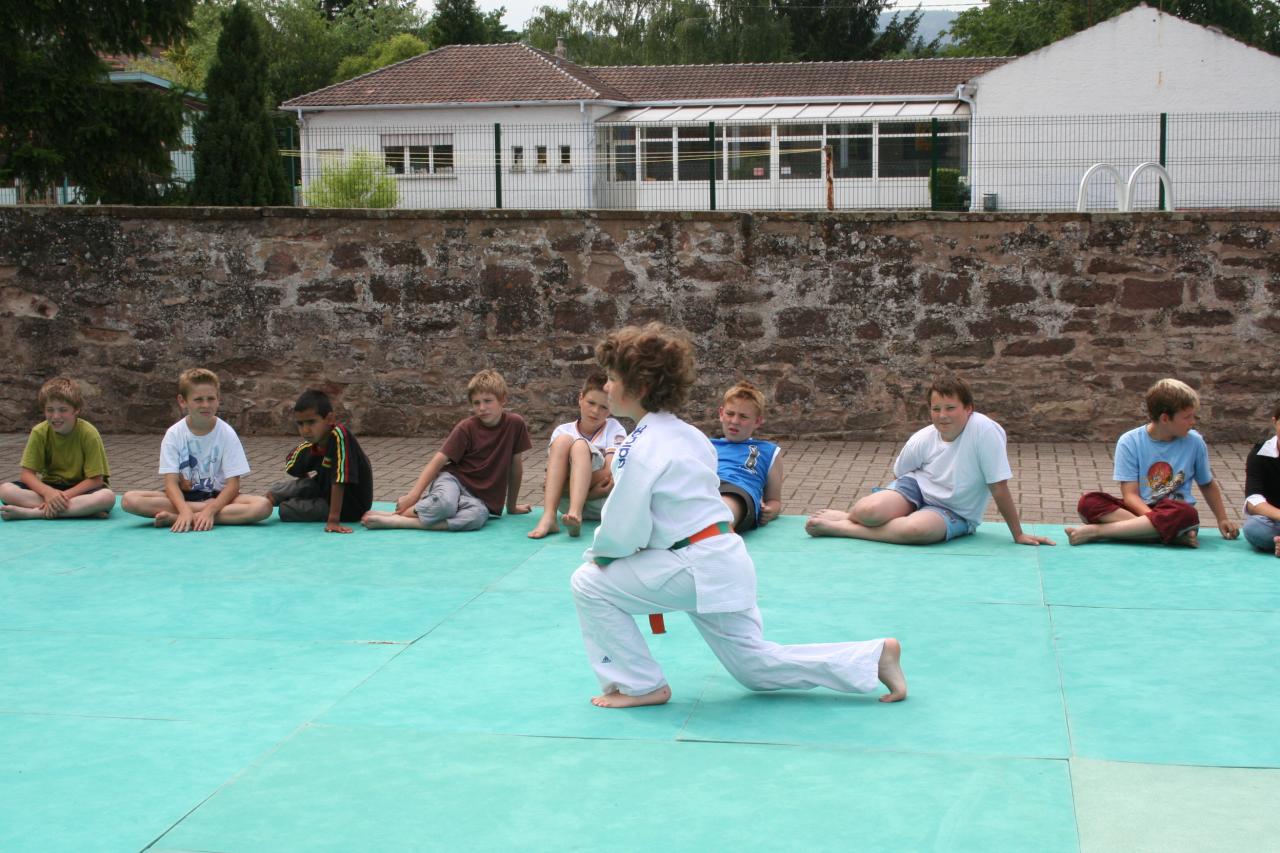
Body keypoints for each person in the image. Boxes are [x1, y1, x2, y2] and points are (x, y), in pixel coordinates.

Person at [570, 323, 907, 709]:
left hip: (692, 565)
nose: (607, 388)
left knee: (588, 582)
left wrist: (599, 556)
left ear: (640, 388)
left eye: (612, 379)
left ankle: (641, 685)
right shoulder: (690, 434)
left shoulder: (637, 448)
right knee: (756, 669)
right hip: (724, 561)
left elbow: (624, 529)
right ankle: (873, 656)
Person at [805, 375, 1053, 547]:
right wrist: (898, 507)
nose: (942, 416)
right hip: (917, 489)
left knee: (916, 531)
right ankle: (852, 516)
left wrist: (1018, 534)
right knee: (868, 511)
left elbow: (999, 487)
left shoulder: (986, 432)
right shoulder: (921, 438)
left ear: (969, 408)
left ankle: (843, 527)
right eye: (936, 409)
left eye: (950, 408)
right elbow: (900, 476)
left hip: (955, 510)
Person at [1067, 378, 1240, 547]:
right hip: (1141, 508)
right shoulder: (1129, 441)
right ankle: (1165, 536)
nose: (1193, 422)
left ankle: (1098, 531)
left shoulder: (1195, 442)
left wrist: (1222, 518)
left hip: (1173, 511)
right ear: (1165, 419)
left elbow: (1207, 484)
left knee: (1186, 513)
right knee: (1089, 502)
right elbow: (1130, 495)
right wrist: (1153, 520)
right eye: (1187, 417)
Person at [362, 369, 532, 531]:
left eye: (488, 401)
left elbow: (515, 467)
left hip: (479, 499)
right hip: (454, 481)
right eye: (476, 403)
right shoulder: (467, 427)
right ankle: (400, 514)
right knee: (446, 505)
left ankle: (402, 521)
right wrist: (413, 495)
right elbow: (438, 461)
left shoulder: (515, 424)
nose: (482, 408)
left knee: (476, 517)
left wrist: (511, 507)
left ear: (503, 400)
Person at [120, 368, 272, 531]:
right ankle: (192, 516)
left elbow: (233, 485)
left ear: (218, 399)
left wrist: (211, 509)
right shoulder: (174, 434)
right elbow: (170, 484)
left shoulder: (226, 432)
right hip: (183, 498)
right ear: (182, 401)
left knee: (263, 506)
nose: (205, 405)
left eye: (210, 399)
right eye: (198, 400)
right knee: (129, 500)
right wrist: (184, 509)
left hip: (219, 499)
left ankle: (180, 518)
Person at [0, 377, 116, 520]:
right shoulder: (39, 432)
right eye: (50, 410)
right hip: (50, 487)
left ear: (76, 410)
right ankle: (81, 510)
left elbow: (96, 480)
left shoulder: (89, 433)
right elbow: (26, 475)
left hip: (82, 490)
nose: (56, 416)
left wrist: (62, 497)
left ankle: (36, 513)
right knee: (5, 490)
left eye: (63, 410)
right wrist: (49, 493)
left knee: (107, 497)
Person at [528, 372, 627, 539]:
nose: (595, 411)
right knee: (562, 441)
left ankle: (576, 513)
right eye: (591, 403)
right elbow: (551, 480)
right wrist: (588, 491)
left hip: (601, 501)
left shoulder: (614, 429)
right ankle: (549, 517)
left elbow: (609, 473)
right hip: (567, 504)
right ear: (580, 399)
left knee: (579, 445)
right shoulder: (562, 431)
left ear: (611, 409)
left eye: (604, 407)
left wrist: (565, 487)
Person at [267, 389, 373, 534]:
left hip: (348, 507)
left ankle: (272, 506)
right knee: (290, 488)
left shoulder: (340, 436)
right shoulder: (311, 443)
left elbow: (339, 480)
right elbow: (292, 464)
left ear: (329, 419)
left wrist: (333, 520)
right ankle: (265, 501)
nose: (305, 430)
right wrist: (303, 485)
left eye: (311, 422)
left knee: (286, 510)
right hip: (323, 489)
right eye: (300, 424)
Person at [710, 380, 783, 532]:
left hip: (738, 491)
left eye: (743, 417)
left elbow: (774, 500)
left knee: (723, 509)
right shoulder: (705, 444)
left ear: (757, 421)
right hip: (705, 487)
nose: (735, 421)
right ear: (721, 414)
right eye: (730, 414)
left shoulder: (768, 451)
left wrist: (770, 511)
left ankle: (718, 531)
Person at [1243, 402, 1280, 557]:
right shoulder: (1260, 454)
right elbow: (1253, 500)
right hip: (1274, 519)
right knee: (1254, 527)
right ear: (1274, 422)